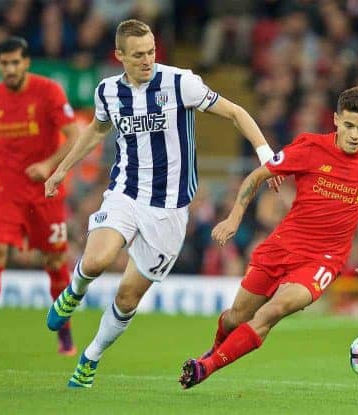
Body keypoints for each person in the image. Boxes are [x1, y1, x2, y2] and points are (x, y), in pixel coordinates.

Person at [43, 19, 277, 388]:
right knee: (97, 260)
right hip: (126, 192)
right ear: (120, 56)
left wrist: (267, 155)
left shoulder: (180, 83)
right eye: (138, 55)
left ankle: (90, 358)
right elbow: (98, 129)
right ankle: (74, 292)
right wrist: (61, 170)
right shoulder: (107, 92)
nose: (147, 60)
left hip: (169, 210)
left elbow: (236, 113)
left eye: (151, 52)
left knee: (127, 296)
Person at [178, 86, 358, 389]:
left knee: (274, 310)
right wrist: (234, 217)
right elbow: (258, 176)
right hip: (282, 246)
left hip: (323, 260)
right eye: (348, 125)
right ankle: (214, 351)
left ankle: (207, 367)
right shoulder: (309, 147)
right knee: (236, 317)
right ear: (335, 120)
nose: (354, 135)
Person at [0, 37, 80, 356]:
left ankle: (65, 335)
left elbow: (75, 136)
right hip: (7, 191)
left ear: (26, 62)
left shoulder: (48, 92)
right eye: (4, 63)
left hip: (45, 193)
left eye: (16, 62)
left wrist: (47, 164)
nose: (10, 69)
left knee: (55, 263)